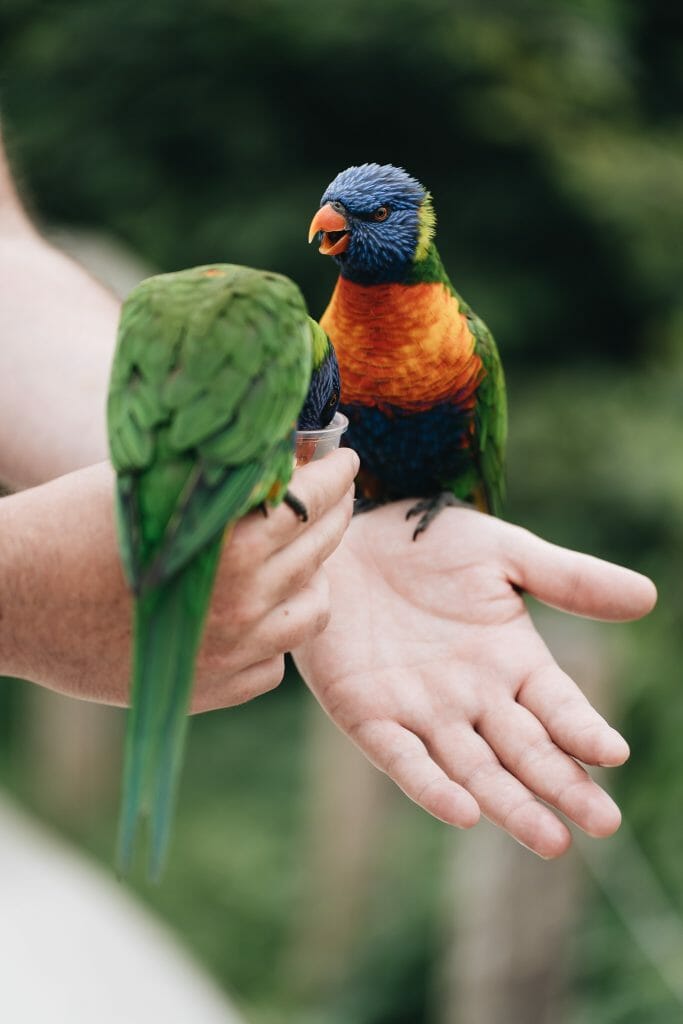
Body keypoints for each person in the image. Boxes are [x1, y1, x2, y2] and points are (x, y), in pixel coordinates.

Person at [0, 135, 657, 860]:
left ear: (413, 230)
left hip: (437, 491)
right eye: (333, 213)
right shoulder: (327, 333)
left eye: (367, 215)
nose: (331, 223)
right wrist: (21, 588)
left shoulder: (462, 341)